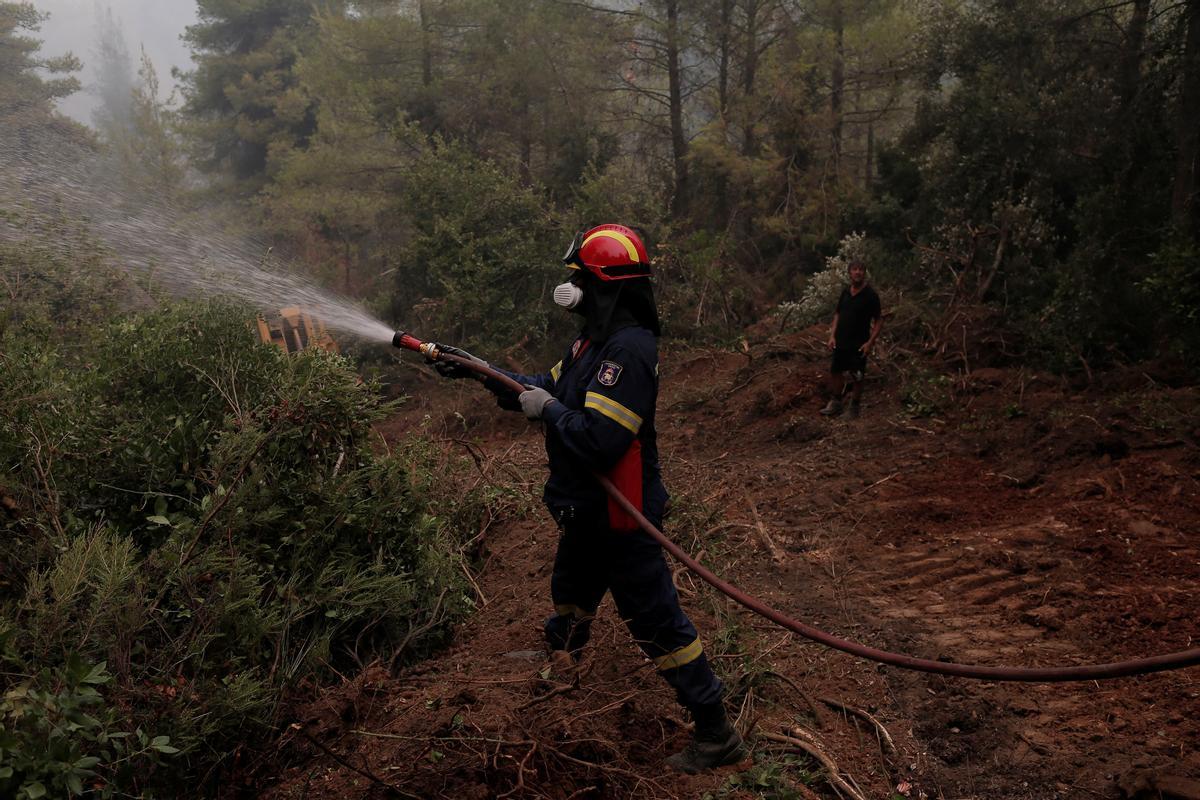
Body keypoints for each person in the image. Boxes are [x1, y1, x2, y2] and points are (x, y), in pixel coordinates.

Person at [430, 224, 746, 774]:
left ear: (604, 286)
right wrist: (476, 368)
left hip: (622, 516)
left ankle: (716, 731)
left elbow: (601, 439)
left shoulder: (628, 350)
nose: (570, 288)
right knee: (572, 588)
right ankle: (561, 659)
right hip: (586, 511)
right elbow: (540, 385)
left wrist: (546, 410)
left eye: (579, 278)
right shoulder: (589, 344)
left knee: (656, 622)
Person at [820, 259, 882, 419]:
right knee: (836, 371)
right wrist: (832, 336)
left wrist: (870, 342)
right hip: (840, 341)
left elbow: (879, 320)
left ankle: (854, 408)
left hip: (859, 343)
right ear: (849, 273)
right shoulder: (846, 292)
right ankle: (836, 402)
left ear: (864, 273)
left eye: (861, 269)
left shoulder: (871, 295)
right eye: (854, 269)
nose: (858, 272)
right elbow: (838, 314)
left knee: (857, 375)